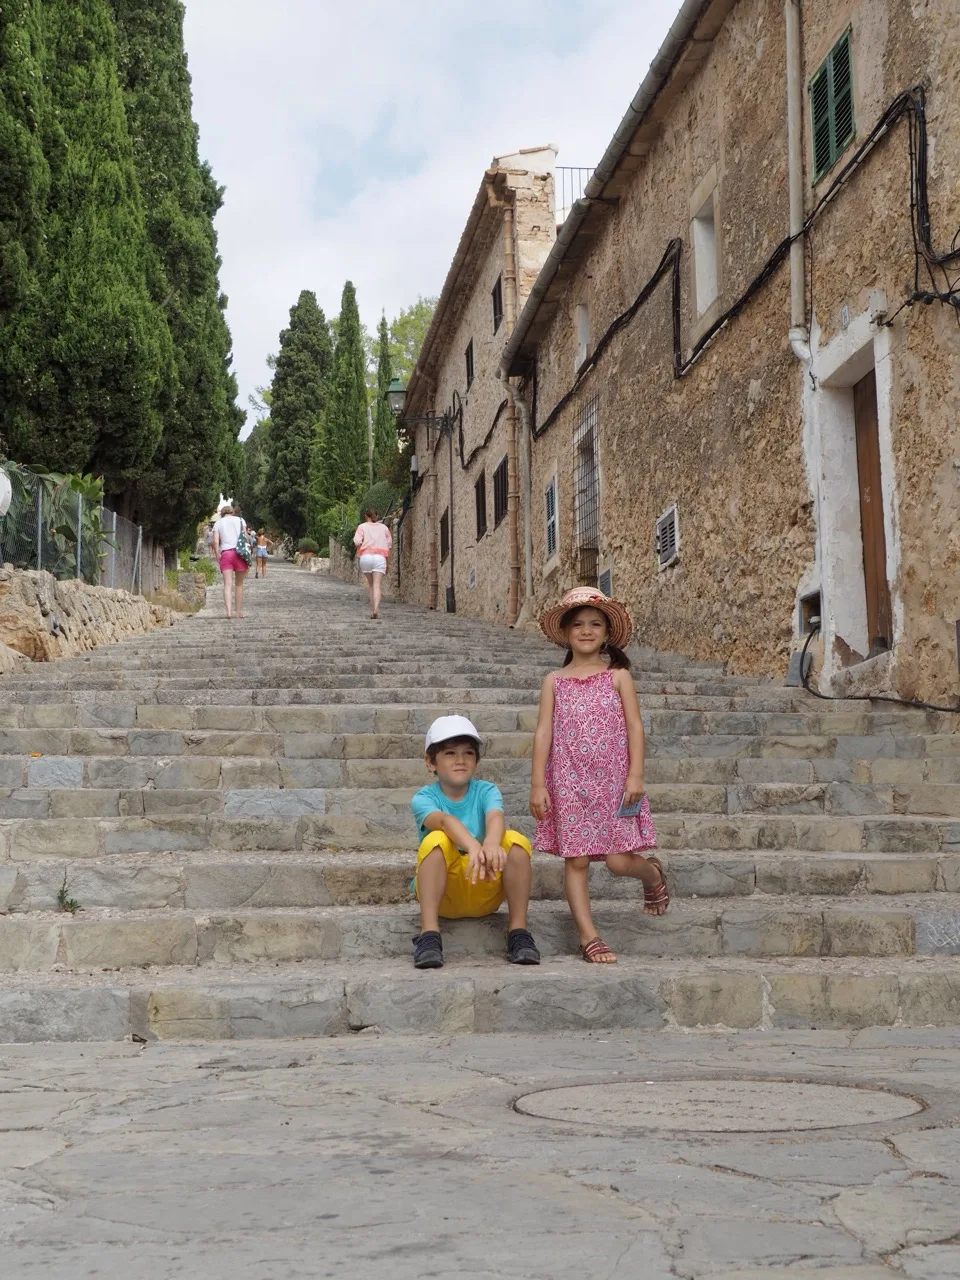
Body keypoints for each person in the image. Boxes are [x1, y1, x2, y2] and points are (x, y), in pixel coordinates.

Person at [530, 586, 668, 966]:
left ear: (607, 633)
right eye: (578, 625)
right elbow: (543, 732)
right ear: (567, 632)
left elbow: (635, 727)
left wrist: (636, 775)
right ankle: (588, 936)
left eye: (595, 624)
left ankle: (652, 876)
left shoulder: (618, 676)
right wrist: (538, 784)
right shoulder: (553, 681)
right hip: (568, 781)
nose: (587, 631)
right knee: (575, 860)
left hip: (615, 782)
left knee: (618, 860)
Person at [410, 715, 541, 970]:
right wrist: (473, 846)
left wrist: (491, 843)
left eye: (468, 753)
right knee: (436, 841)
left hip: (484, 888)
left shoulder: (486, 790)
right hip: (444, 895)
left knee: (515, 841)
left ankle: (518, 932)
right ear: (430, 762)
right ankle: (428, 936)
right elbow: (446, 822)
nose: (460, 760)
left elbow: (495, 817)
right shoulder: (423, 798)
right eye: (449, 753)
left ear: (477, 760)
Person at [353, 508, 392, 619]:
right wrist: (387, 563)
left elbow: (357, 542)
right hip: (380, 558)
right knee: (377, 585)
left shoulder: (362, 527)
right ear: (377, 516)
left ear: (366, 516)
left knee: (371, 584)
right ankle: (376, 609)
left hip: (366, 557)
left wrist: (360, 548)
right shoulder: (384, 528)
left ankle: (372, 609)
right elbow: (389, 546)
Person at [211, 505, 249, 619]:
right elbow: (246, 538)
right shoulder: (241, 520)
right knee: (239, 584)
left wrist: (218, 555)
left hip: (226, 553)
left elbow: (215, 541)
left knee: (227, 584)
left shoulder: (218, 523)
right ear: (232, 512)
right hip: (240, 553)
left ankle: (228, 612)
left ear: (222, 514)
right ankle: (238, 612)